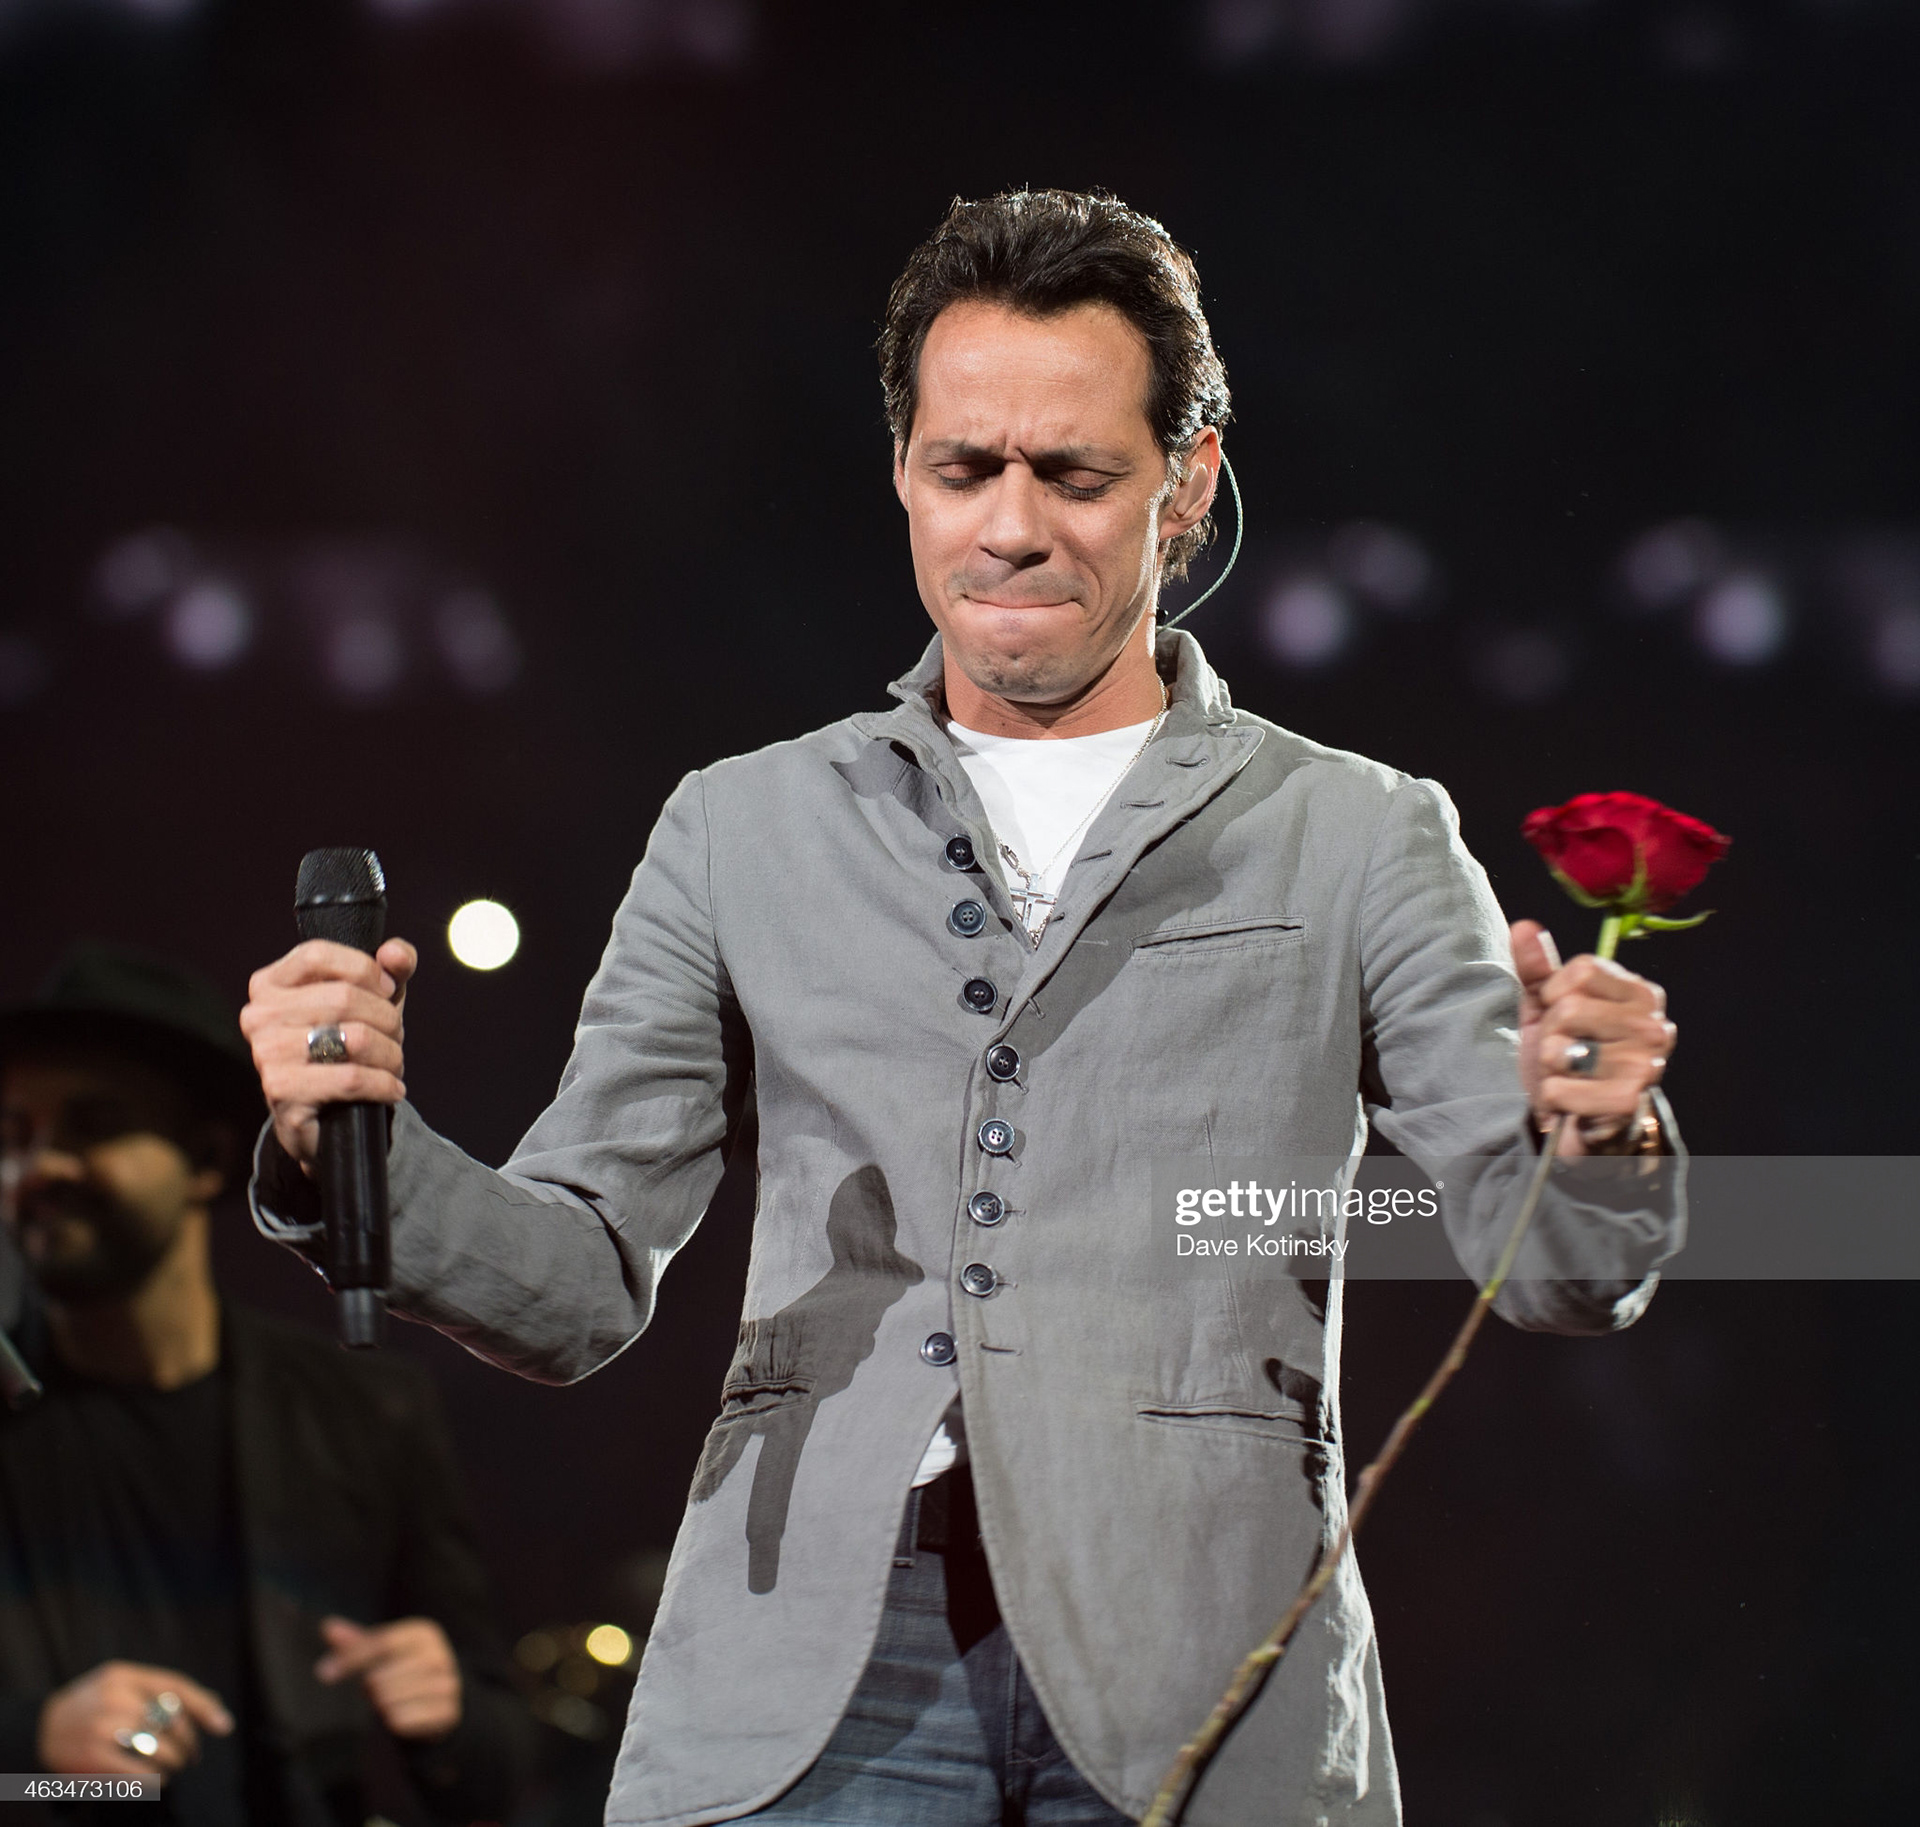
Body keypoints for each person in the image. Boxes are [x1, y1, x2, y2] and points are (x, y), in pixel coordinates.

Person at [240, 190, 1684, 1826]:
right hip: (810, 1663)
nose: (1011, 526)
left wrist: (1603, 1122)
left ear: (1186, 484)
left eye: (1074, 474)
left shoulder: (1359, 829)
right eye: (964, 468)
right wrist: (348, 1141)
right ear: (903, 475)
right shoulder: (742, 826)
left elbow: (1561, 1266)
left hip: (1201, 1666)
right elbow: (578, 1282)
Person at [0, 945, 533, 1826]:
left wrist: (452, 1718)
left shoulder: (367, 1414)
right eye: (15, 1135)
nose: (41, 1167)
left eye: (92, 1125)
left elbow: (502, 1769)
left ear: (208, 1161)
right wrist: (40, 1753)